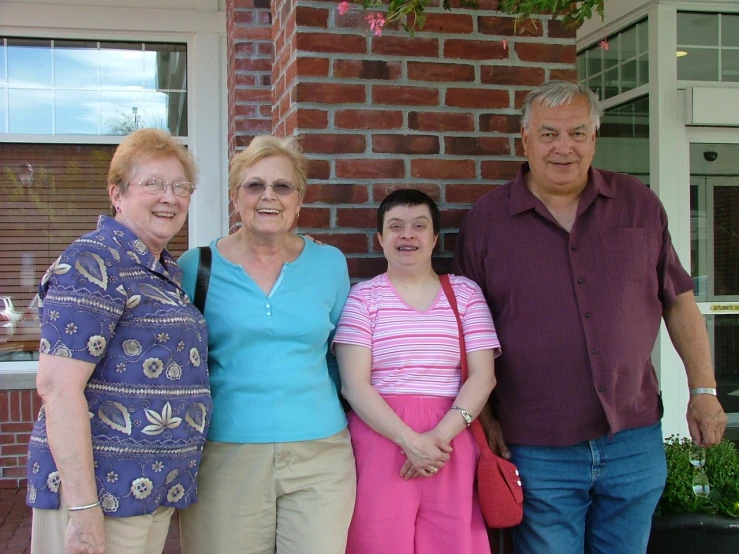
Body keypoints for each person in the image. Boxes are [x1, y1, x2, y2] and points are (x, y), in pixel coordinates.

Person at [453, 80, 728, 554]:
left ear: (594, 138)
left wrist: (704, 391)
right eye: (549, 134)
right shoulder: (487, 222)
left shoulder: (638, 205)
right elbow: (462, 330)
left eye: (578, 133)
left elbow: (679, 300)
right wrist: (485, 416)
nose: (565, 147)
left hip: (633, 438)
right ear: (525, 140)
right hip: (537, 443)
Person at [27, 128, 212, 554]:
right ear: (117, 193)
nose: (170, 197)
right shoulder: (92, 261)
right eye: (152, 183)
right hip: (103, 493)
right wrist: (84, 508)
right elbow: (57, 388)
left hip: (148, 490)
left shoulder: (161, 270)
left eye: (181, 186)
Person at [177, 135, 356, 554]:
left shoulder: (330, 264)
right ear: (235, 198)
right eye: (254, 185)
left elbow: (340, 354)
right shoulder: (195, 266)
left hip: (321, 454)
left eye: (282, 186)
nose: (268, 196)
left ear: (299, 201)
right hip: (225, 454)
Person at [334, 189, 500, 554]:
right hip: (382, 437)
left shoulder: (465, 293)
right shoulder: (363, 298)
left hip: (452, 438)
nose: (407, 235)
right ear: (380, 239)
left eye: (419, 226)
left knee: (451, 543)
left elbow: (483, 376)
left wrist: (436, 441)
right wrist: (411, 442)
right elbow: (354, 385)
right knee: (377, 541)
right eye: (395, 226)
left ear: (434, 238)